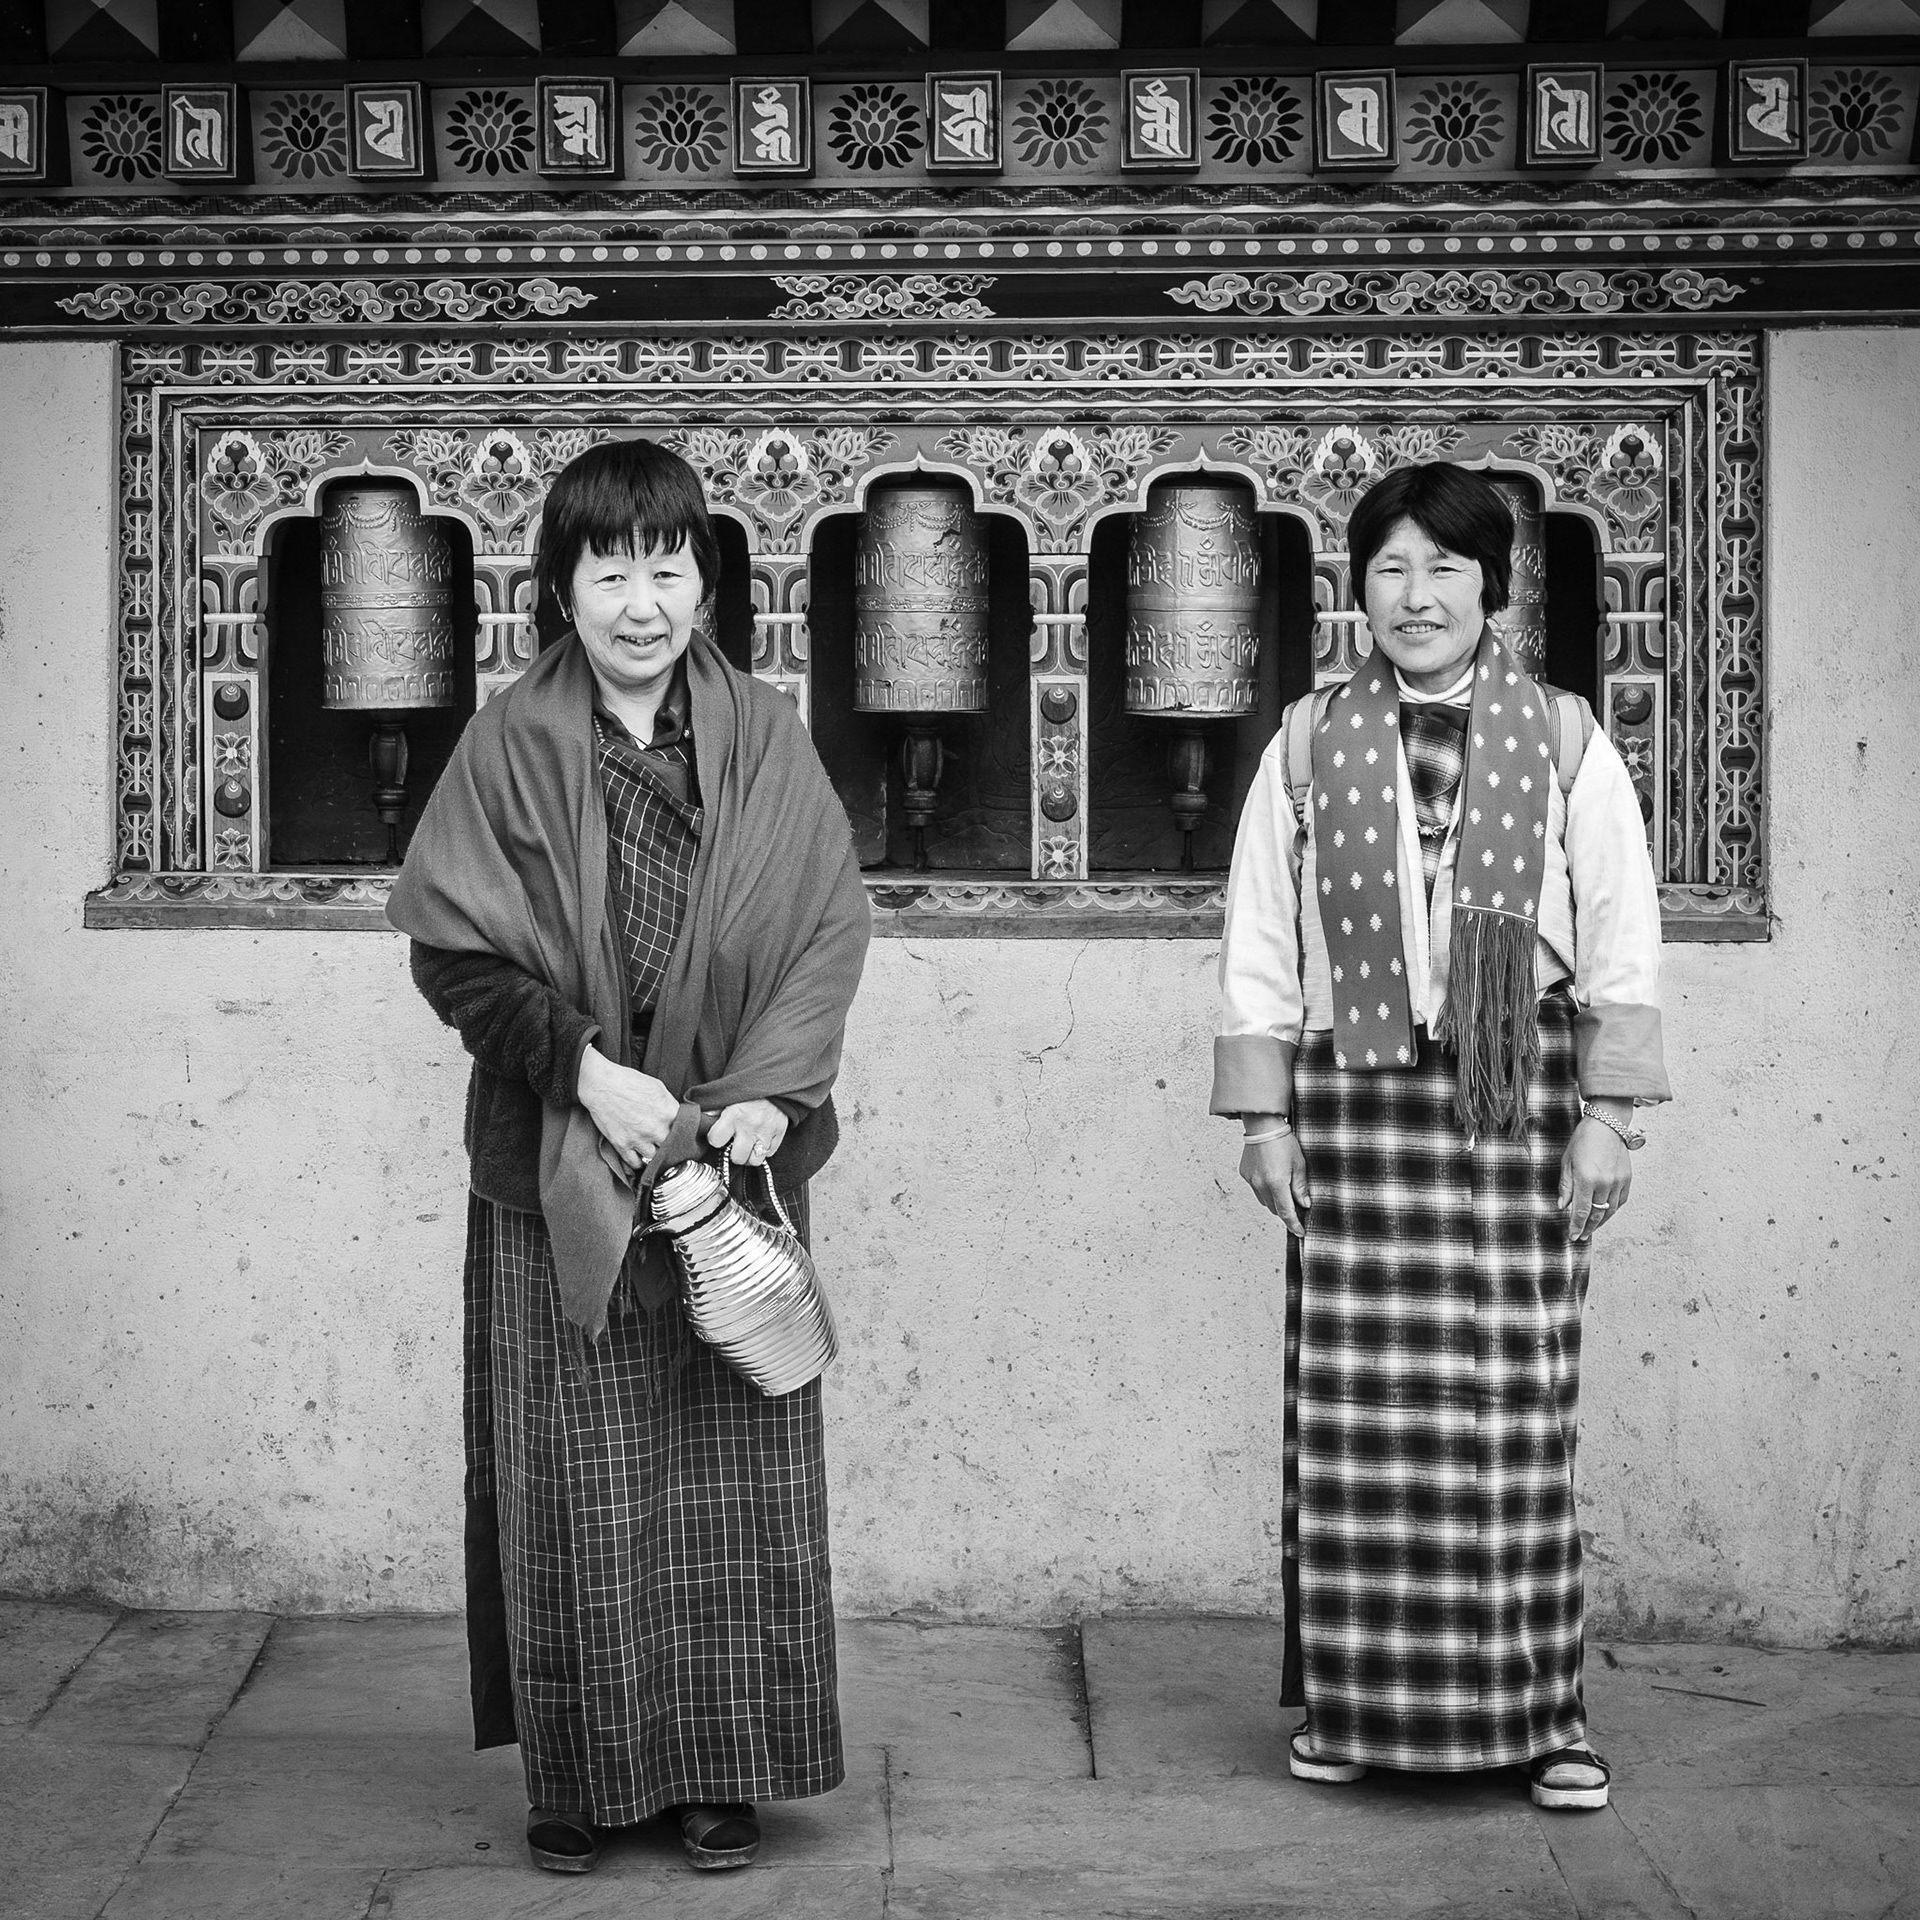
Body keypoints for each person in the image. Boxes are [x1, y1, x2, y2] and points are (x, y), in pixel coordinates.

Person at [388, 439, 871, 1875]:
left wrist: (775, 1096)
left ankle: (723, 1771)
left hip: (725, 1159)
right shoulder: (512, 742)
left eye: (668, 568)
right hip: (564, 1160)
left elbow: (825, 929)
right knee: (574, 1479)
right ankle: (580, 1776)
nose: (641, 602)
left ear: (706, 581)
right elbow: (451, 953)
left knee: (732, 1475)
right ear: (562, 588)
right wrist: (583, 1072)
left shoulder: (764, 734)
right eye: (611, 572)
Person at [1212, 461, 1669, 1812]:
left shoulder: (1569, 740)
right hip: (1354, 1112)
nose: (1418, 597)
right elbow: (1258, 940)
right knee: (1356, 1424)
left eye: (1447, 570)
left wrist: (1610, 1119)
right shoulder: (1306, 742)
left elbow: (1622, 935)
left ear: (1491, 588)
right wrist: (1264, 1121)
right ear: (1360, 587)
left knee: (1514, 1419)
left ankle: (1547, 1722)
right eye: (1393, 569)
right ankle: (1361, 1714)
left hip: (1516, 1102)